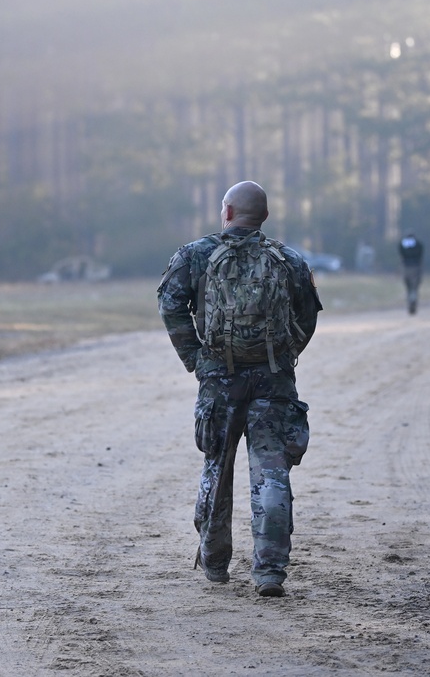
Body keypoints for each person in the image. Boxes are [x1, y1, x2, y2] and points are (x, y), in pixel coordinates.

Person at [157, 181, 322, 598]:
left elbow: (170, 305)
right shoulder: (290, 260)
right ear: (263, 216)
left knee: (218, 467)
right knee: (272, 474)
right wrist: (283, 355)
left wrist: (197, 360)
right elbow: (307, 317)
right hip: (274, 380)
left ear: (227, 212)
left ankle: (214, 562)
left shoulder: (194, 255)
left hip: (218, 382)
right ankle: (269, 572)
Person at [398, 230, 424, 314]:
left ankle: (410, 302)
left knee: (408, 287)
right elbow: (421, 254)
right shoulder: (418, 244)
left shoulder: (402, 244)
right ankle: (413, 300)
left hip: (406, 267)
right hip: (416, 267)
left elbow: (401, 253)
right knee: (414, 287)